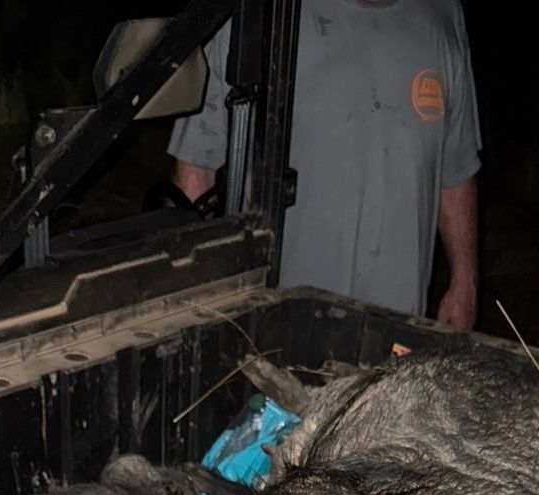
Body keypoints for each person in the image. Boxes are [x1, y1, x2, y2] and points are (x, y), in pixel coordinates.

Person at [167, 0, 481, 327]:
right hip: (278, 317)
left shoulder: (443, 12)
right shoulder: (261, 11)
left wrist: (465, 281)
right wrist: (192, 299)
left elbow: (456, 167)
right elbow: (196, 167)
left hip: (399, 325)